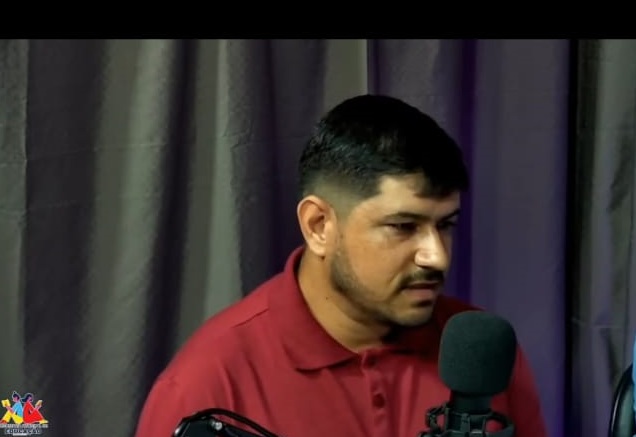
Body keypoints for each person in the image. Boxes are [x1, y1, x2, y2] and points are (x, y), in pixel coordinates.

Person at [134, 94, 547, 437]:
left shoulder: (483, 358)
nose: (436, 256)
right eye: (403, 227)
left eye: (446, 225)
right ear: (319, 226)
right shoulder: (205, 386)